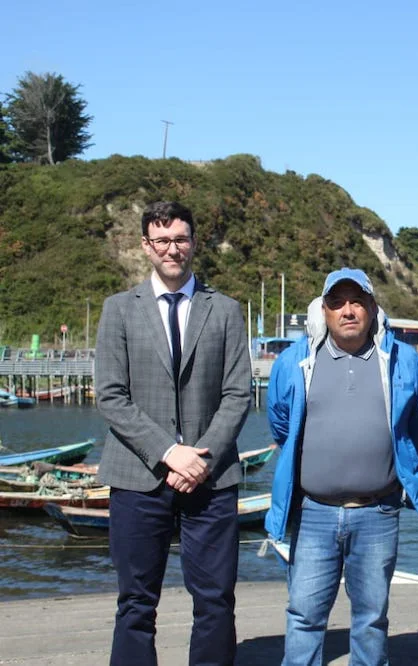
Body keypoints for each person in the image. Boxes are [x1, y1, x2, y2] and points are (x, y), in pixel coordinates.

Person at [95, 200, 251, 665]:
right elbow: (110, 395)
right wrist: (168, 452)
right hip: (138, 475)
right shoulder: (119, 310)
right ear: (146, 246)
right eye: (162, 240)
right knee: (137, 603)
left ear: (194, 243)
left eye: (180, 239)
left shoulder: (224, 310)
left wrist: (198, 458)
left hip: (211, 477)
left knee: (216, 601)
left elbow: (238, 393)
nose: (172, 249)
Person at [265, 267, 418, 666]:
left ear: (372, 307)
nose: (348, 310)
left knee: (371, 619)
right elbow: (280, 424)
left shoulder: (403, 360)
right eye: (337, 302)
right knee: (304, 616)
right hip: (312, 514)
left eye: (357, 301)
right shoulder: (295, 361)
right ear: (323, 310)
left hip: (377, 513)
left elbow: (417, 429)